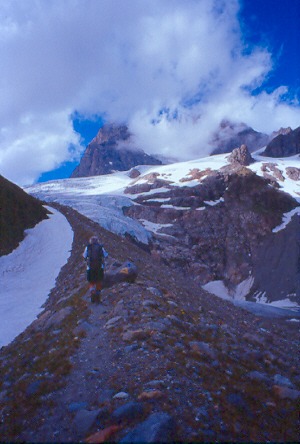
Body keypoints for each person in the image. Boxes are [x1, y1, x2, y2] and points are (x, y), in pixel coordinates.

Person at [83, 236, 108, 303]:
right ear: (97, 241)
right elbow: (105, 255)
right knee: (98, 281)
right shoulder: (100, 247)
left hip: (90, 267)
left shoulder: (87, 247)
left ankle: (92, 295)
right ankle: (98, 297)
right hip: (99, 267)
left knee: (91, 282)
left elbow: (84, 256)